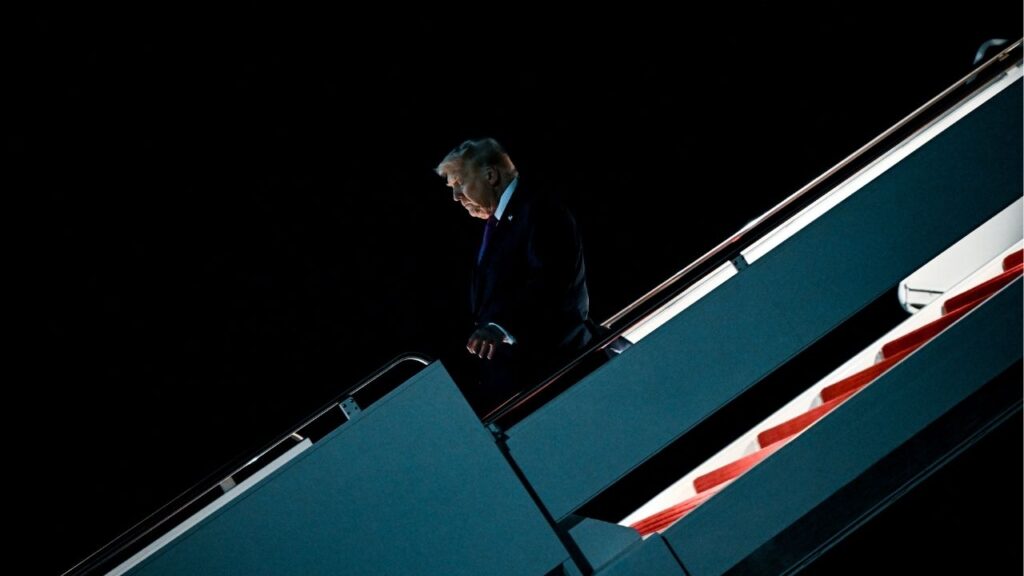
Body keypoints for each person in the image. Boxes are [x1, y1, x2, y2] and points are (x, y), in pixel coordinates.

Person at [436, 138, 594, 415]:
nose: (456, 197)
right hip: (522, 379)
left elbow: (552, 280)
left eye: (459, 184)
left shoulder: (538, 209)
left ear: (490, 175)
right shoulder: (500, 223)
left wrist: (499, 325)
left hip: (554, 374)